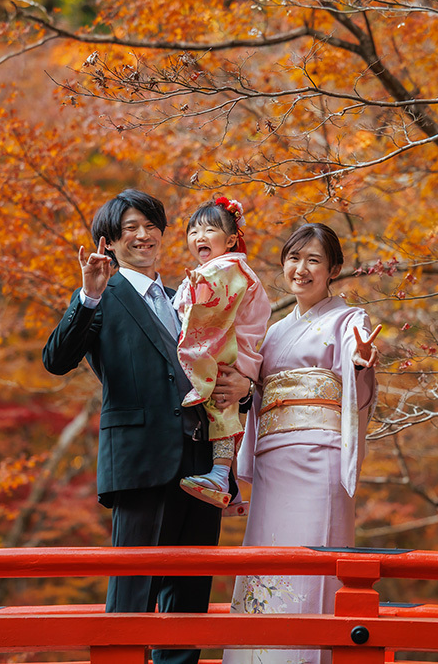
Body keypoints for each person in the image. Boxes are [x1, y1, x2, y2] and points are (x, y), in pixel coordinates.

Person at [41, 189, 250, 664]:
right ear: (109, 242)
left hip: (202, 465)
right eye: (129, 228)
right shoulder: (103, 297)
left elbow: (224, 368)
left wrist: (244, 389)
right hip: (139, 463)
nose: (142, 235)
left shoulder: (189, 299)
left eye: (150, 225)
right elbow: (56, 360)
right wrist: (88, 294)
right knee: (133, 594)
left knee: (189, 600)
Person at [222, 223, 380, 664]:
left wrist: (361, 363)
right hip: (274, 460)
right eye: (294, 258)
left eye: (314, 260)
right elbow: (252, 394)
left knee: (313, 558)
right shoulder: (272, 332)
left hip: (319, 457)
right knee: (267, 556)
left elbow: (358, 377)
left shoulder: (350, 320)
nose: (302, 269)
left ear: (333, 269)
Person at [173, 196, 270, 509]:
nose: (200, 237)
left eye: (209, 230)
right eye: (193, 232)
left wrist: (197, 293)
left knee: (222, 403)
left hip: (232, 348)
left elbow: (213, 306)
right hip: (228, 345)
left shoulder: (229, 268)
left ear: (230, 240)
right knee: (223, 406)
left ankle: (220, 475)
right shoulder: (220, 269)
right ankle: (227, 480)